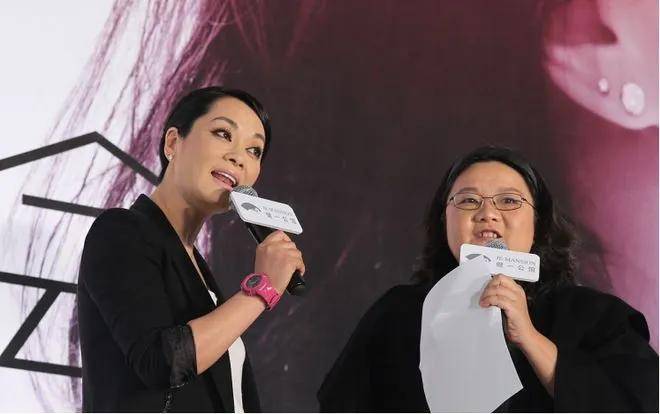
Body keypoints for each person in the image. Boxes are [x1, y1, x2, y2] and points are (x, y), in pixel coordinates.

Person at [317, 145, 658, 412]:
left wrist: (530, 338)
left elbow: (637, 404)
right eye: (468, 200)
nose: (487, 213)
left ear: (539, 222)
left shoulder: (596, 316)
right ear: (444, 220)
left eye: (509, 200)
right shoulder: (398, 312)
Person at [77, 86, 306, 412]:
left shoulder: (196, 267)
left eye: (254, 150)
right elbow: (161, 361)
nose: (239, 157)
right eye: (223, 134)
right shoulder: (121, 232)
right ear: (173, 142)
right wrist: (261, 289)